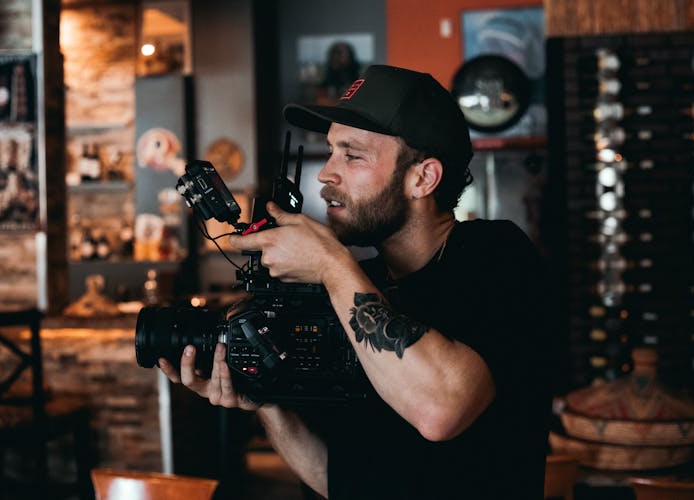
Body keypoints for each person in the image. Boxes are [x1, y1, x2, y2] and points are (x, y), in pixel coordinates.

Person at [159, 64, 553, 499]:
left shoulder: (495, 255)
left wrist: (330, 264)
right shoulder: (357, 281)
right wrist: (266, 401)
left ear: (422, 178)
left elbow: (442, 410)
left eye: (352, 154)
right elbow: (337, 478)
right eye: (329, 151)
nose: (326, 173)